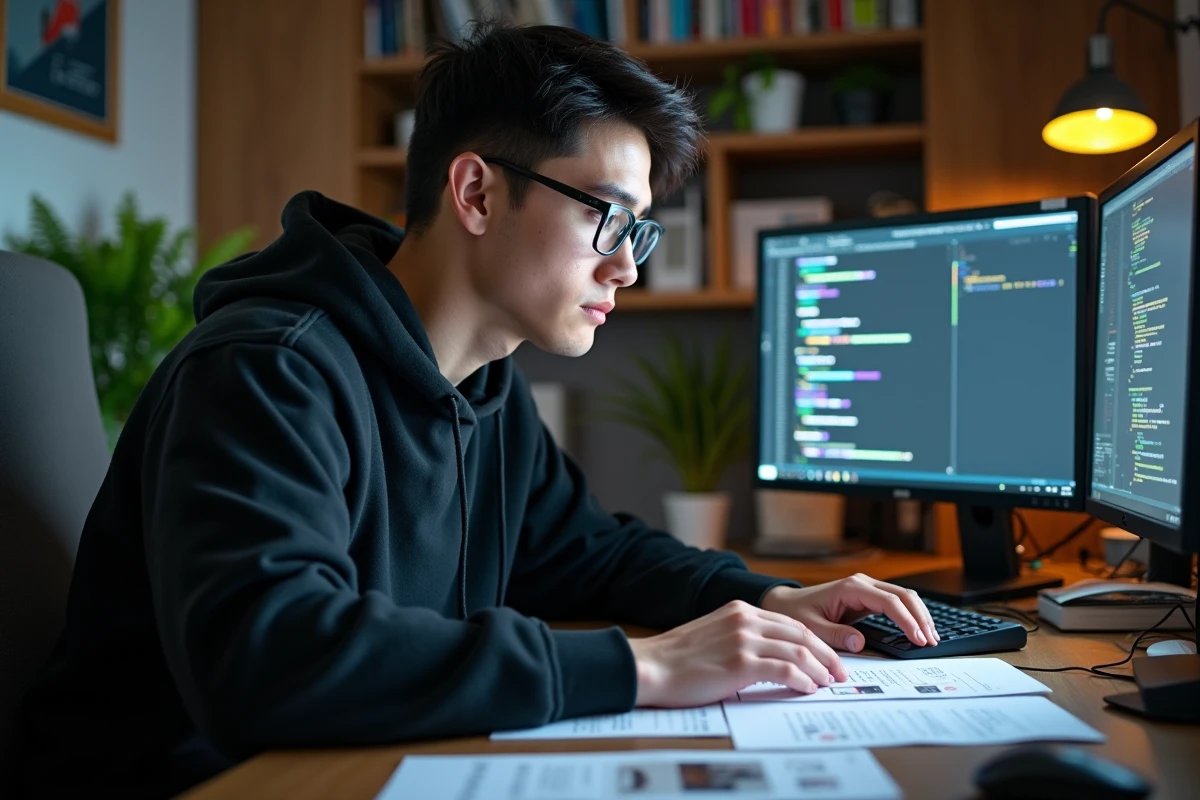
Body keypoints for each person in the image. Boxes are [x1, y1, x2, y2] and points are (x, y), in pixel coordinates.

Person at [13, 21, 939, 799]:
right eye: (606, 219)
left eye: (641, 231)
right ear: (476, 192)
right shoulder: (266, 369)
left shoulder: (483, 383)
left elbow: (586, 551)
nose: (629, 266)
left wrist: (762, 596)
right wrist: (645, 668)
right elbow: (272, 658)